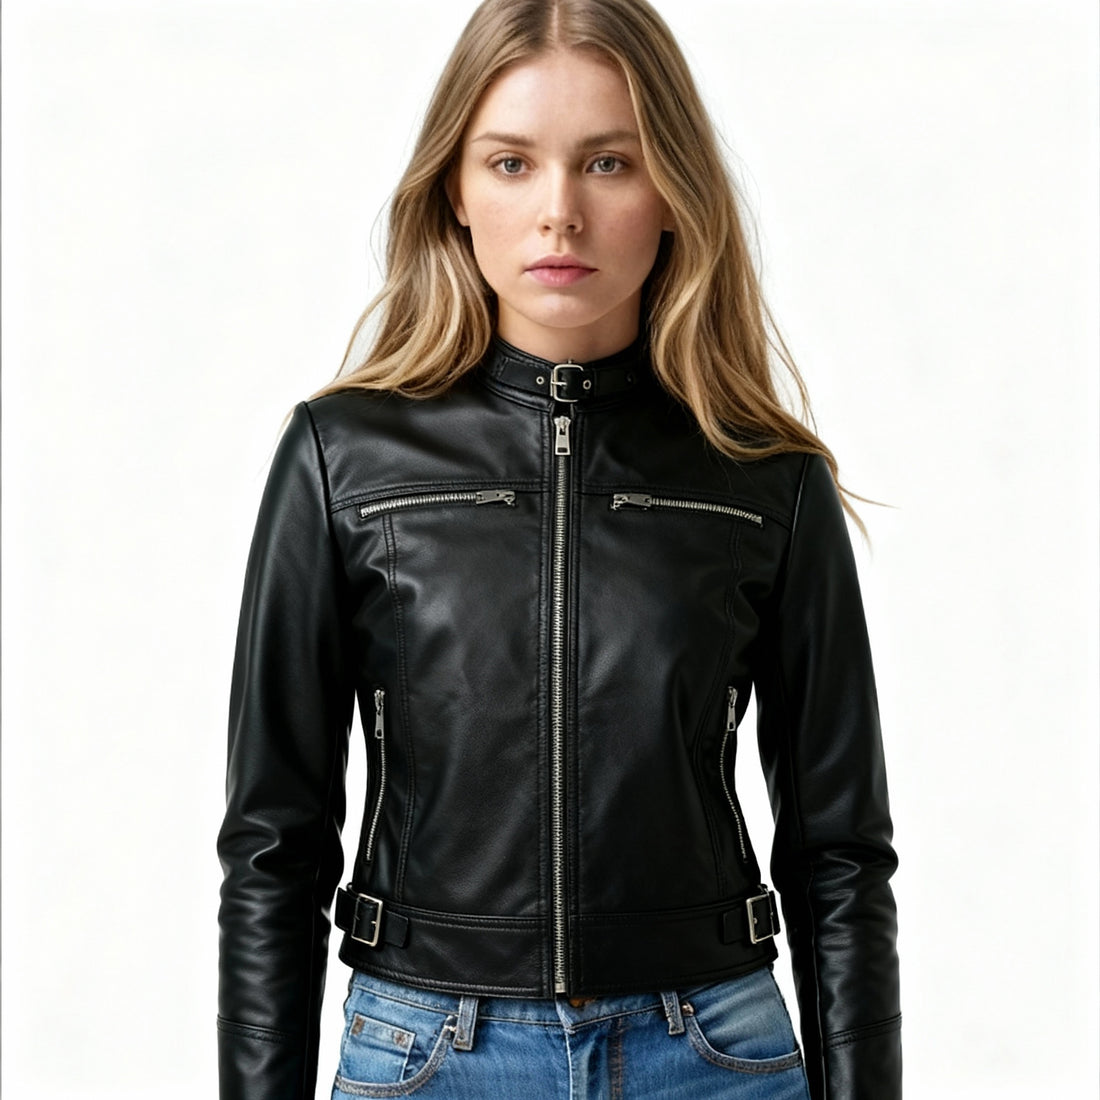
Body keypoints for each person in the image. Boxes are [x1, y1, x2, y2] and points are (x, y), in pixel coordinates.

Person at [216, 0, 901, 1097]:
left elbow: (840, 853)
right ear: (454, 189)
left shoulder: (764, 476)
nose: (559, 214)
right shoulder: (344, 458)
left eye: (608, 162)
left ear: (672, 189)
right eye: (511, 162)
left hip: (712, 1052)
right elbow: (272, 843)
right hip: (427, 1053)